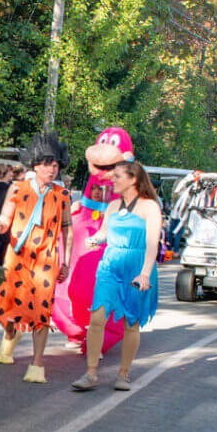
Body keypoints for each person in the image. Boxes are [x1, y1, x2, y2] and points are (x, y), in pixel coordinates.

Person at [0, 132, 73, 383]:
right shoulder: (17, 188)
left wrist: (66, 262)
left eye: (56, 164)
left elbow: (68, 230)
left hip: (46, 259)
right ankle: (10, 335)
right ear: (35, 164)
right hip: (17, 256)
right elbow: (5, 219)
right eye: (48, 163)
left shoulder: (62, 196)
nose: (52, 169)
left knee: (42, 310)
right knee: (7, 308)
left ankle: (37, 364)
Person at [71, 161, 161, 392]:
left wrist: (145, 273)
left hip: (137, 266)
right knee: (97, 317)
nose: (113, 180)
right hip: (110, 265)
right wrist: (94, 240)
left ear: (133, 179)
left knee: (131, 323)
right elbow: (103, 233)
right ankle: (90, 373)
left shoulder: (149, 207)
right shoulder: (112, 206)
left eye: (118, 176)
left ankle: (124, 374)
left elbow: (153, 242)